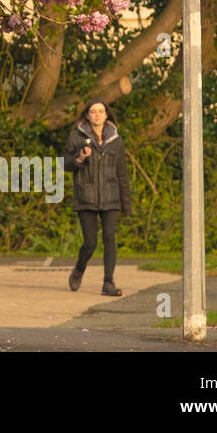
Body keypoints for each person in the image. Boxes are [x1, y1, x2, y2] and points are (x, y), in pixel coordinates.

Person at [62, 101, 132, 296]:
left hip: (111, 196)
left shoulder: (116, 140)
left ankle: (108, 283)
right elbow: (64, 164)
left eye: (101, 111)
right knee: (90, 242)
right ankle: (79, 270)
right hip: (86, 196)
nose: (97, 115)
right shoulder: (76, 137)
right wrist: (79, 158)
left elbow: (122, 173)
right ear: (87, 116)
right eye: (93, 112)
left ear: (107, 115)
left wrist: (126, 204)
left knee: (109, 238)